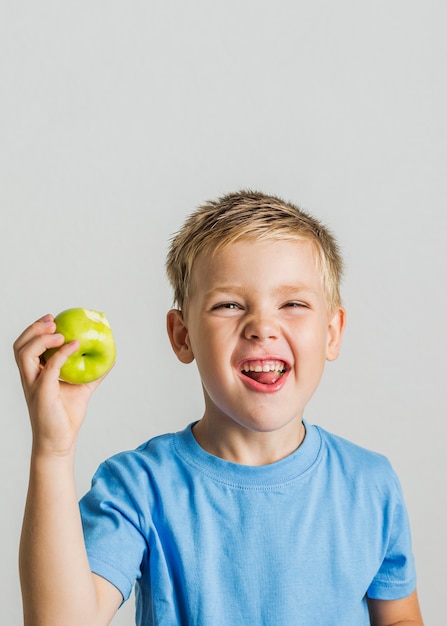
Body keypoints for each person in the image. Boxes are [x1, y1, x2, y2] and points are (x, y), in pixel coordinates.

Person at [14, 190, 423, 625]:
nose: (262, 326)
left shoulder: (371, 485)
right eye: (229, 304)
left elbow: (399, 617)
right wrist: (52, 451)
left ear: (332, 332)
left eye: (293, 304)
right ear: (182, 335)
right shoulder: (137, 488)